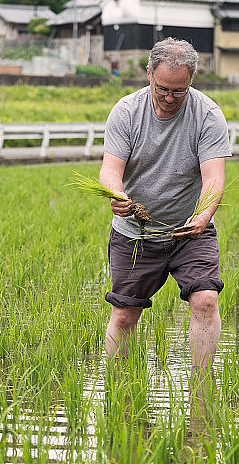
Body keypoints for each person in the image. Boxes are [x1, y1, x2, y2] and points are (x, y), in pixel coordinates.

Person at [99, 38, 231, 410]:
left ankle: (201, 393)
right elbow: (110, 170)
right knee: (125, 313)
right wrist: (116, 195)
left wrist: (203, 215)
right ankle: (119, 395)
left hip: (190, 229)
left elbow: (214, 178)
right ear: (148, 74)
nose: (170, 98)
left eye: (179, 91)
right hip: (136, 234)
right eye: (162, 89)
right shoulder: (127, 112)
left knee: (205, 299)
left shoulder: (208, 115)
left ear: (191, 81)